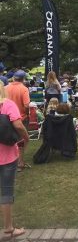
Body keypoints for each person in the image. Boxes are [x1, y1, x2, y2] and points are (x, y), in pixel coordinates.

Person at [0, 81, 29, 237]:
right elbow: (18, 125)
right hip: (6, 155)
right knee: (6, 191)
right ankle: (8, 227)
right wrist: (26, 138)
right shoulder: (7, 105)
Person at [5, 70, 30, 170]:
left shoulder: (5, 88)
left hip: (6, 118)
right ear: (23, 79)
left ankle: (8, 161)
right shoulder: (24, 89)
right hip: (20, 118)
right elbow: (27, 104)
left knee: (7, 140)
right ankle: (20, 163)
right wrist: (27, 113)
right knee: (21, 141)